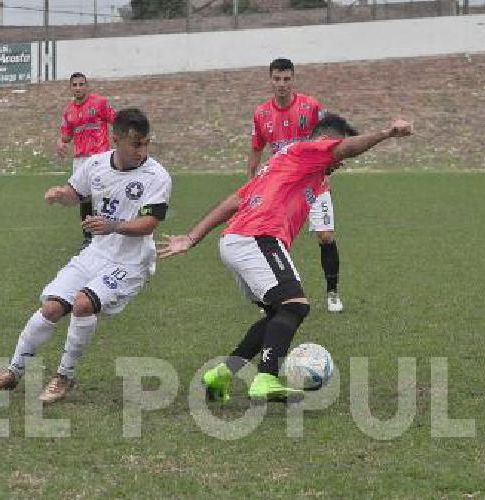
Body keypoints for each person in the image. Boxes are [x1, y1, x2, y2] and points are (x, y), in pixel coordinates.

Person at [160, 114, 413, 403]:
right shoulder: (303, 152)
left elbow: (234, 201)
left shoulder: (284, 166)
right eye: (337, 155)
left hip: (238, 240)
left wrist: (191, 238)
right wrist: (386, 133)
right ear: (324, 142)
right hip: (258, 237)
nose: (340, 164)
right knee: (295, 306)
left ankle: (221, 374)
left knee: (275, 316)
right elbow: (345, 149)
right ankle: (266, 378)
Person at [0, 108, 172, 404]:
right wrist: (60, 194)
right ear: (117, 139)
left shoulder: (156, 175)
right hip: (96, 253)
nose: (142, 150)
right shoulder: (96, 165)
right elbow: (75, 193)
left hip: (130, 261)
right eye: (136, 144)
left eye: (147, 143)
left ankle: (64, 376)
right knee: (51, 308)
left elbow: (150, 223)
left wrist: (113, 225)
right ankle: (13, 370)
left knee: (83, 304)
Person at [247, 58, 344, 313]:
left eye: (287, 79)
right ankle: (270, 296)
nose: (282, 84)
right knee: (271, 240)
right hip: (280, 189)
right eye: (277, 79)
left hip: (314, 183)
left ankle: (332, 293)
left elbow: (330, 132)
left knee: (326, 236)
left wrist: (331, 160)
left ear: (293, 79)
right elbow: (256, 149)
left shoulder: (310, 107)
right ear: (270, 80)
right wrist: (251, 184)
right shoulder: (261, 114)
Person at [56, 72, 117, 247]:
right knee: (84, 198)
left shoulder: (100, 103)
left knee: (105, 195)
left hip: (101, 156)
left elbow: (116, 120)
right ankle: (88, 237)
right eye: (74, 85)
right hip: (81, 160)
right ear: (70, 88)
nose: (78, 88)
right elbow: (66, 136)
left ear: (87, 86)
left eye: (81, 84)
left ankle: (111, 233)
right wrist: (60, 142)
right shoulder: (68, 111)